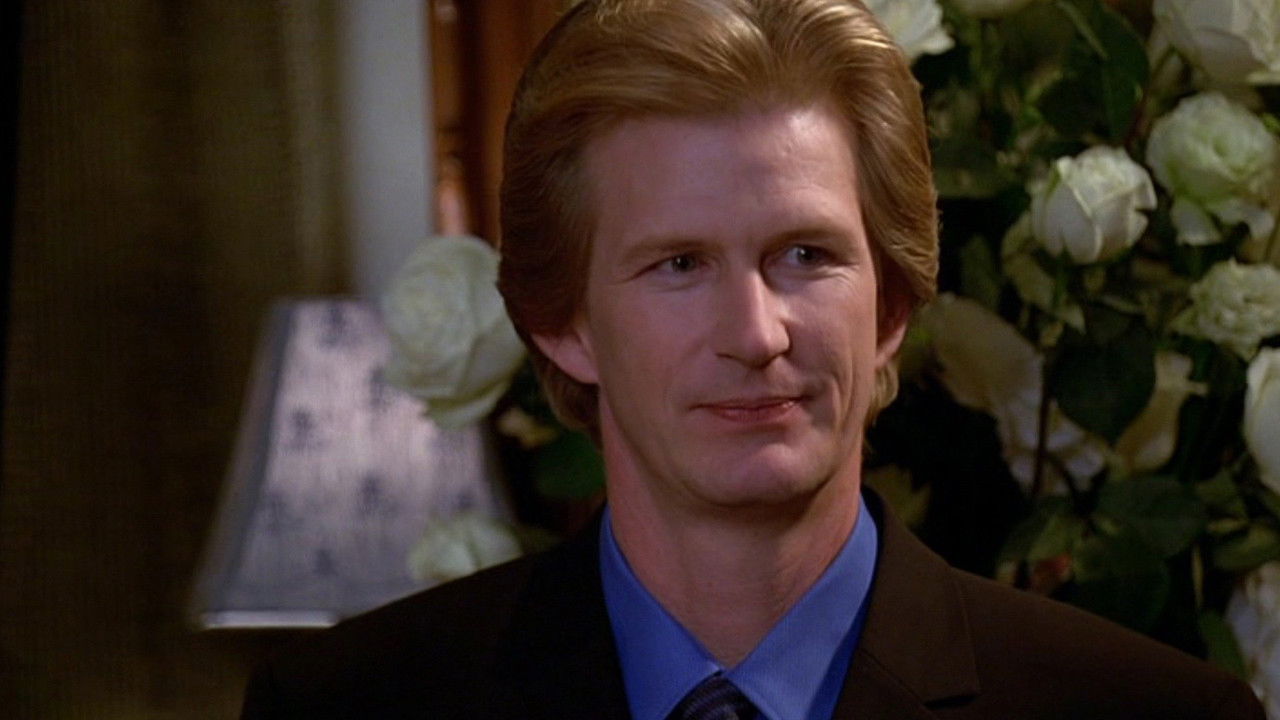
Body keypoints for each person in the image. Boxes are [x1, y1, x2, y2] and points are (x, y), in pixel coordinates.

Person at [241, 1, 1265, 717]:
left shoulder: (1150, 711)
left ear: (891, 308)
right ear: (563, 323)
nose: (756, 333)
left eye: (805, 256)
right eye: (679, 265)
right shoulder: (349, 705)